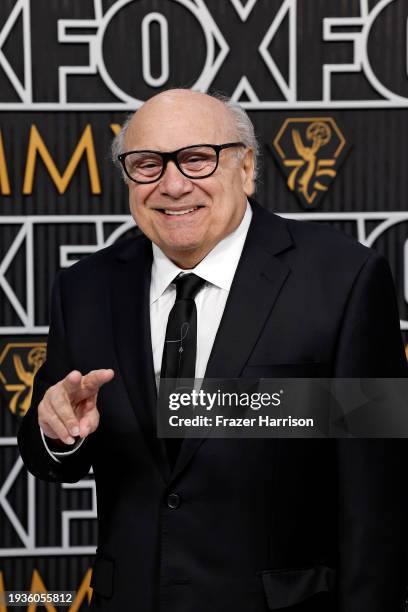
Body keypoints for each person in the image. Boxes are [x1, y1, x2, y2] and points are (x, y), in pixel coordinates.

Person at [18, 89, 408, 612]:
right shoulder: (83, 288)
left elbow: (377, 496)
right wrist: (54, 432)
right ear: (128, 179)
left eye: (198, 158)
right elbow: (57, 456)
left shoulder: (344, 279)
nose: (173, 185)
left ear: (246, 167)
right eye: (147, 164)